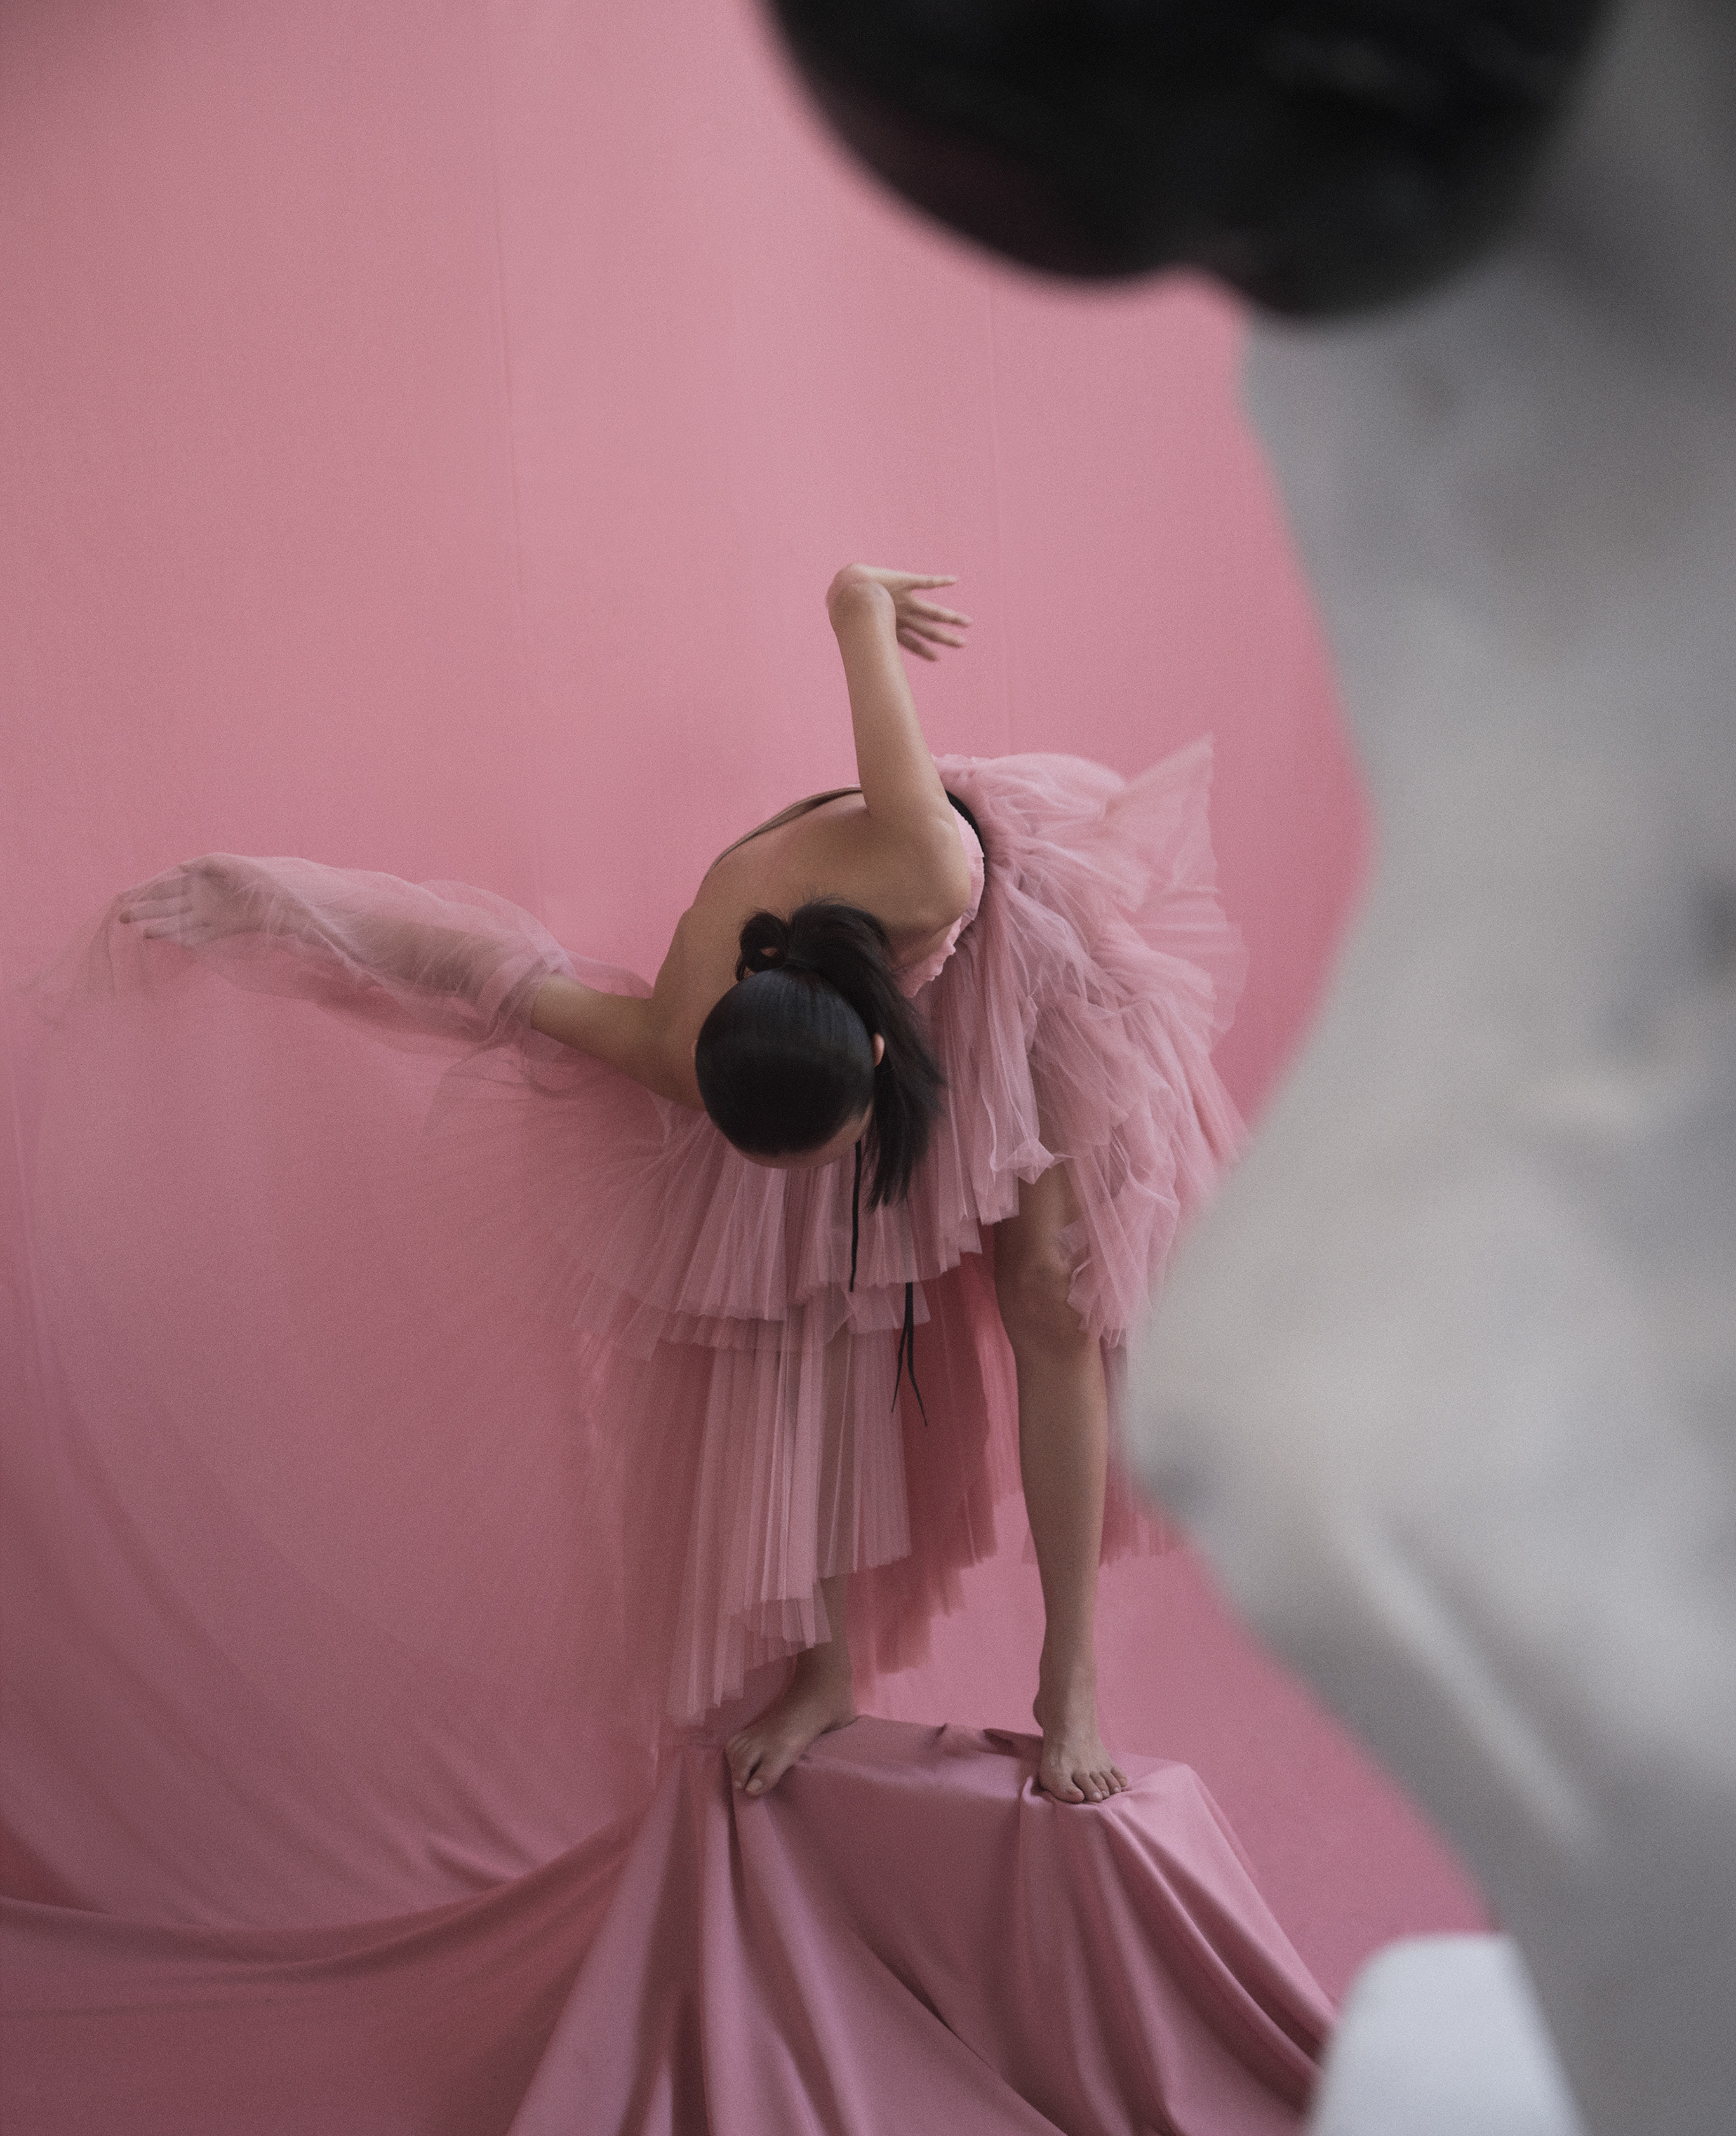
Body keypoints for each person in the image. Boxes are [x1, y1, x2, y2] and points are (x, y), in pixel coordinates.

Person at [119, 561, 1246, 1806]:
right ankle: (825, 1671)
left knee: (1048, 1293)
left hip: (1020, 942)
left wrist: (868, 601)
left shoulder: (927, 863)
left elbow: (852, 605)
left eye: (829, 1149)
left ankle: (1068, 1678)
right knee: (797, 1301)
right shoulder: (679, 1044)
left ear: (882, 1056)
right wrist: (268, 906)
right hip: (815, 985)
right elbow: (486, 972)